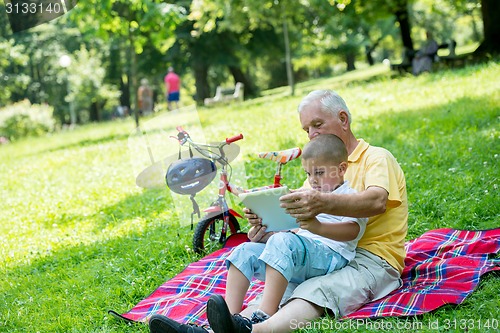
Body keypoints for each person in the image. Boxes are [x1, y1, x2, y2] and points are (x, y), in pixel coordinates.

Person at [148, 89, 408, 333]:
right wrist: (267, 229)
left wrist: (318, 206)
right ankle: (217, 328)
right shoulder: (318, 170)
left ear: (343, 119)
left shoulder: (376, 157)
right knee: (277, 280)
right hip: (316, 252)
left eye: (317, 125)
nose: (312, 134)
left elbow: (376, 201)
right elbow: (298, 230)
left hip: (372, 259)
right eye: (307, 129)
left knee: (314, 290)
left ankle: (255, 330)